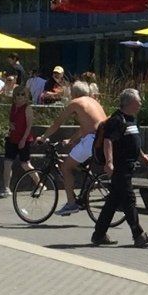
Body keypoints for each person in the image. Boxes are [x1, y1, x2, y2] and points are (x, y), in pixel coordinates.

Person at [89, 88, 148, 247]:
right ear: (130, 102)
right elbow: (108, 141)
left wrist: (142, 155)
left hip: (129, 165)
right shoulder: (116, 120)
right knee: (129, 199)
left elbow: (132, 140)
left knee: (113, 201)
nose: (140, 103)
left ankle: (98, 235)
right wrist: (109, 162)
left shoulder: (131, 119)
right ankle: (138, 234)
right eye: (138, 100)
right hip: (120, 167)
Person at [44, 80, 107, 216]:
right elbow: (85, 127)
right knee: (77, 163)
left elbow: (57, 123)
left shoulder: (75, 103)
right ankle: (88, 184)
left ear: (74, 93)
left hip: (91, 140)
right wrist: (71, 141)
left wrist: (43, 137)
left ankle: (71, 203)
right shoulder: (94, 102)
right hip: (101, 139)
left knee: (66, 167)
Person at [4, 87, 35, 174]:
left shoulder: (27, 108)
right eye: (18, 94)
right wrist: (10, 124)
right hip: (12, 138)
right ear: (14, 95)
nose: (20, 96)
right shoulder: (13, 107)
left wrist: (23, 140)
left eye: (23, 94)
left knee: (25, 164)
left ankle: (40, 184)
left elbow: (29, 126)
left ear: (26, 96)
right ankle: (6, 187)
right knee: (7, 163)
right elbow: (11, 120)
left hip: (24, 138)